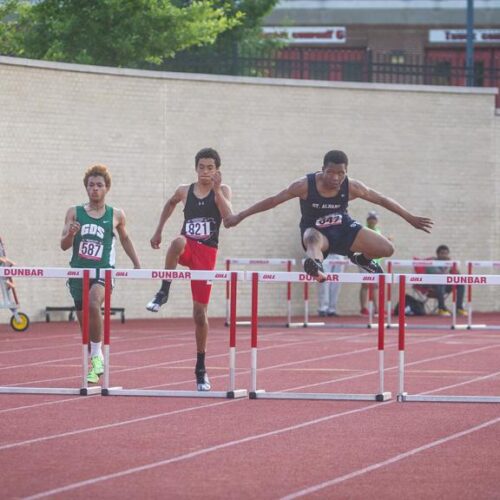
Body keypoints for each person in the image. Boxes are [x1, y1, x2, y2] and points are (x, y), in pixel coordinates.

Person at [226, 150, 433, 282]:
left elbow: (382, 199)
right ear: (322, 169)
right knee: (312, 238)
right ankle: (315, 264)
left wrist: (410, 218)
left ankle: (362, 259)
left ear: (346, 172)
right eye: (331, 172)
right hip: (316, 233)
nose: (335, 178)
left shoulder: (352, 186)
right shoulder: (304, 185)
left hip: (344, 229)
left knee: (387, 248)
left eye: (340, 173)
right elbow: (272, 201)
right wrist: (239, 216)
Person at [146, 148, 233, 392]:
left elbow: (228, 219)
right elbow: (171, 203)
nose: (205, 172)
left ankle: (201, 367)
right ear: (195, 168)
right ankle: (163, 291)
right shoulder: (185, 190)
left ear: (217, 170)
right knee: (177, 242)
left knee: (199, 314)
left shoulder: (222, 191)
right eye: (201, 167)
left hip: (207, 254)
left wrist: (216, 191)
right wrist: (158, 230)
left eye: (210, 168)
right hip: (188, 247)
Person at [61, 164, 141, 384]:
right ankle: (94, 362)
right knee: (85, 325)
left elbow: (125, 239)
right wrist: (71, 234)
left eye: (99, 185)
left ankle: (97, 356)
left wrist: (137, 263)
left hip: (103, 271)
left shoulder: (115, 214)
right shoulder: (74, 212)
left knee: (94, 304)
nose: (94, 189)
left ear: (106, 188)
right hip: (78, 271)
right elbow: (63, 245)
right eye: (91, 185)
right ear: (86, 188)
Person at [427, 244, 467, 317]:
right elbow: (439, 275)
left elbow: (457, 275)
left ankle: (459, 308)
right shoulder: (432, 263)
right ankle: (441, 308)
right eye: (442, 253)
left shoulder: (448, 262)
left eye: (446, 253)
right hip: (433, 287)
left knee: (460, 283)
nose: (444, 255)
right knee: (440, 283)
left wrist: (452, 266)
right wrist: (448, 266)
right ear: (437, 254)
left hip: (445, 286)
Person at [359, 211, 384, 315]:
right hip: (364, 261)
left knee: (376, 285)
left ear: (377, 220)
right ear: (367, 220)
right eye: (370, 218)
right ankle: (364, 308)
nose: (372, 220)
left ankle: (377, 308)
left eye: (374, 218)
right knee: (365, 284)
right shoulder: (363, 230)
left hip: (376, 262)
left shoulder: (378, 231)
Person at [317, 252, 345, 317]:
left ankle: (332, 309)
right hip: (325, 254)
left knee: (336, 284)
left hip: (340, 254)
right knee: (323, 282)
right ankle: (323, 308)